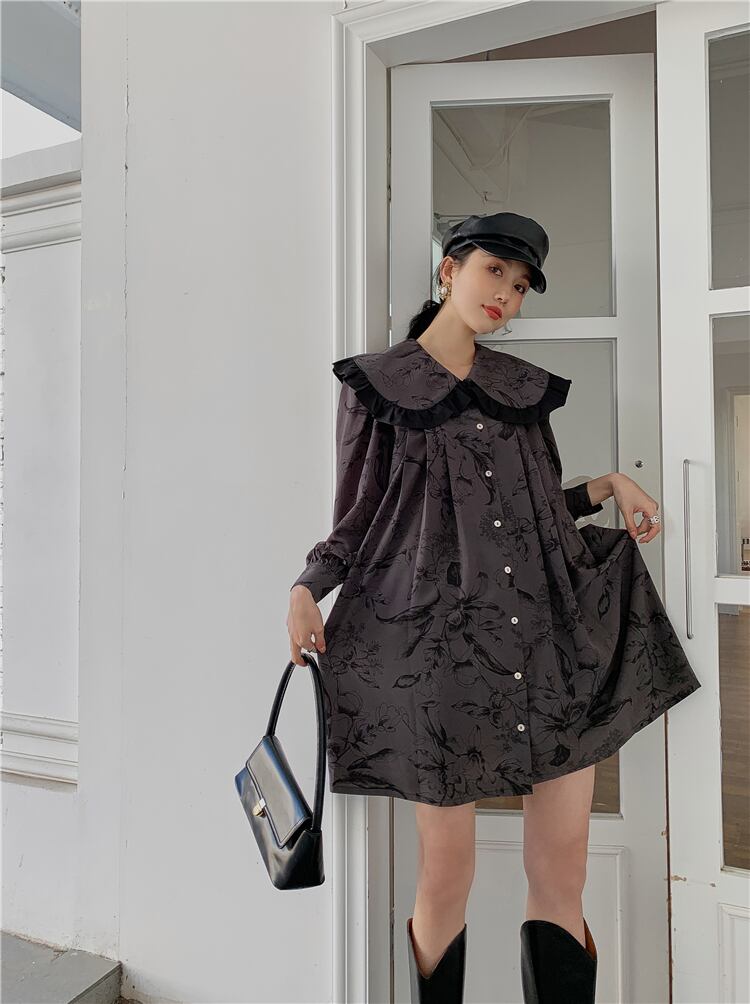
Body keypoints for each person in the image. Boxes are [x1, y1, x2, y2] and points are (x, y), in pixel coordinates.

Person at [287, 212, 702, 1004]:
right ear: (449, 271)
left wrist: (608, 484)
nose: (505, 294)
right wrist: (308, 586)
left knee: (563, 870)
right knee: (446, 874)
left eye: (520, 285)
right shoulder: (378, 386)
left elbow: (537, 512)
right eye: (493, 272)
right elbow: (358, 518)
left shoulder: (522, 389)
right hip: (441, 659)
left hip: (545, 642)